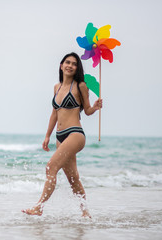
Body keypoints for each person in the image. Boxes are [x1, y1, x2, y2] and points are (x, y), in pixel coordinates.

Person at [22, 52, 102, 217]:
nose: (70, 65)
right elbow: (54, 113)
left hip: (75, 134)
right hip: (59, 136)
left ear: (77, 68)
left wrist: (95, 106)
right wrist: (47, 136)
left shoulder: (81, 86)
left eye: (74, 63)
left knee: (50, 167)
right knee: (73, 178)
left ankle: (39, 207)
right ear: (61, 65)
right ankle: (85, 212)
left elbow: (86, 111)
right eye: (67, 62)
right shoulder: (56, 87)